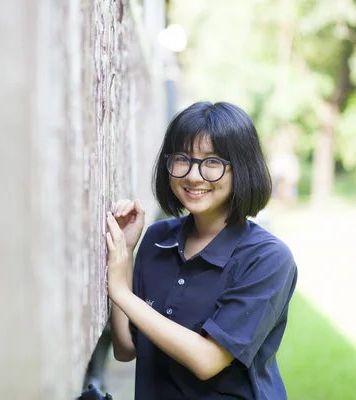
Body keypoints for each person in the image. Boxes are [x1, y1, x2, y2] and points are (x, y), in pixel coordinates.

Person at [105, 101, 298, 400]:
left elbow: (207, 360)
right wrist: (126, 253)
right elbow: (126, 348)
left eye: (212, 162)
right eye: (183, 159)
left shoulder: (268, 258)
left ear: (242, 169)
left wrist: (121, 292)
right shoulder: (158, 239)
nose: (194, 176)